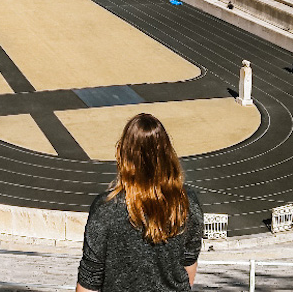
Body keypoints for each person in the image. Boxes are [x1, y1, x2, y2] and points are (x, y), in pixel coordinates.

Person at [76, 114, 203, 292]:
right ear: (167, 154)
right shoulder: (186, 202)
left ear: (123, 154)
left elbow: (90, 280)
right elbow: (189, 265)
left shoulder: (106, 208)